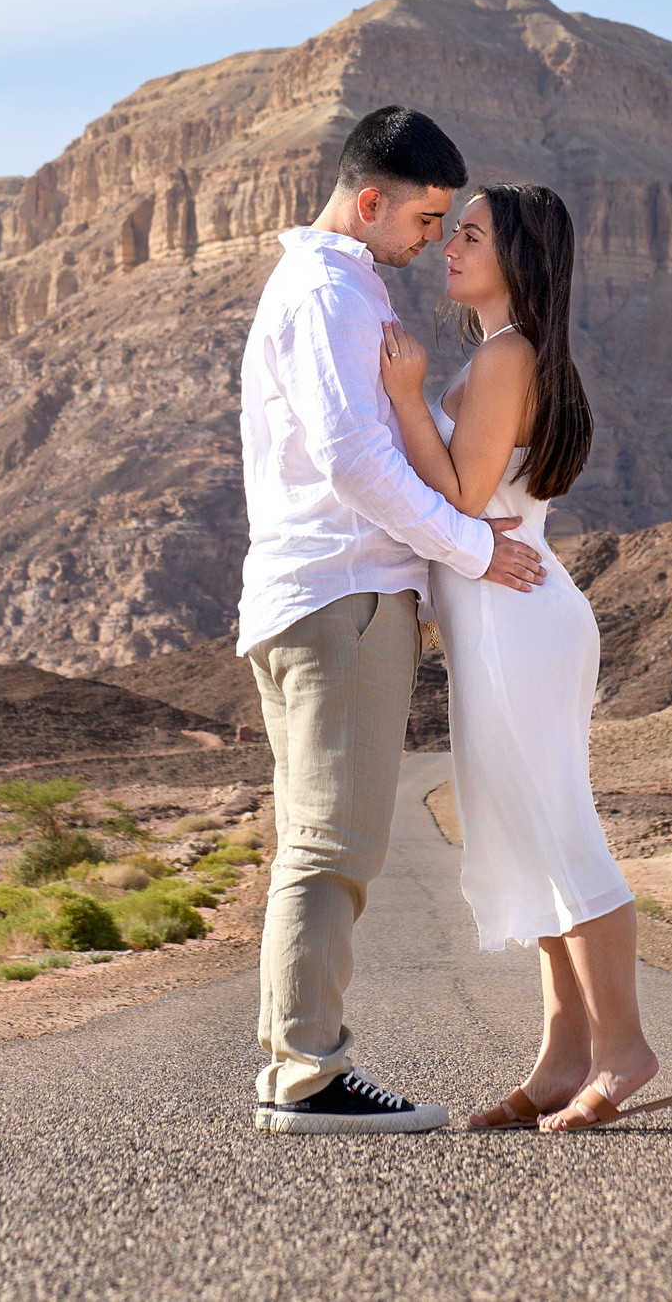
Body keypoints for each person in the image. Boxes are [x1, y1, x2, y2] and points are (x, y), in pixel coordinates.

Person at [240, 106, 549, 1134]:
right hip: (344, 598)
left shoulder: (331, 285)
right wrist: (471, 550)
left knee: (314, 841)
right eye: (423, 219)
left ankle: (294, 1061)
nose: (430, 241)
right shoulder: (328, 290)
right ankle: (308, 1076)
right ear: (369, 202)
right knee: (332, 845)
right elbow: (353, 462)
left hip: (314, 597)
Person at [378, 183, 672, 1132]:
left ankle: (623, 1050)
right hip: (496, 620)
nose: (449, 247)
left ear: (519, 259)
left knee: (559, 828)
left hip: (522, 620)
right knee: (520, 833)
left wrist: (408, 396)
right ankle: (561, 1057)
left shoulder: (506, 357)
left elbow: (463, 496)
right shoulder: (494, 355)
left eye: (470, 235)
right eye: (451, 231)